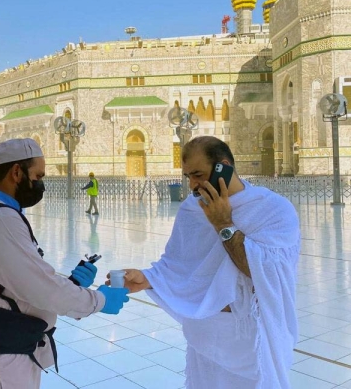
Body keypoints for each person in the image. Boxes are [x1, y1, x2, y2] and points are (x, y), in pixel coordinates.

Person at [118, 136, 300, 389]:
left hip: (250, 339)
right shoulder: (192, 209)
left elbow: (264, 272)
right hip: (205, 333)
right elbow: (178, 263)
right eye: (188, 177)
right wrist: (149, 278)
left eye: (198, 175)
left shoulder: (273, 209)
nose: (193, 185)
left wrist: (223, 224)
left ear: (222, 166)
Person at [0, 138, 129, 389]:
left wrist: (70, 283)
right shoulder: (1, 220)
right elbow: (42, 290)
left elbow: (20, 283)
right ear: (16, 172)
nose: (41, 184)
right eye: (38, 176)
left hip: (11, 355)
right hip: (2, 363)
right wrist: (99, 301)